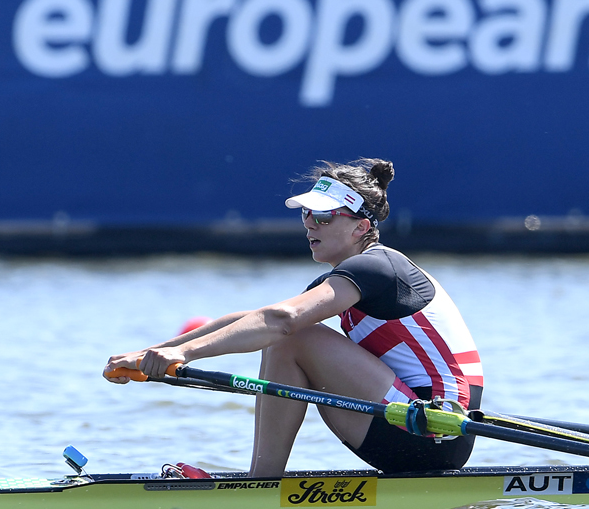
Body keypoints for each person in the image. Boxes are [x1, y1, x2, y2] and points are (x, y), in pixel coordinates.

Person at [104, 158, 483, 478]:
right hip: (407, 424)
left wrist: (187, 355)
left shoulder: (379, 267)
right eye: (306, 213)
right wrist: (149, 353)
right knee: (284, 333)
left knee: (291, 335)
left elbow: (281, 322)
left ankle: (261, 484)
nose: (308, 224)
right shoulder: (347, 277)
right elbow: (253, 319)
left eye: (322, 215)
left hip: (435, 429)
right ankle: (262, 481)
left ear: (361, 227)